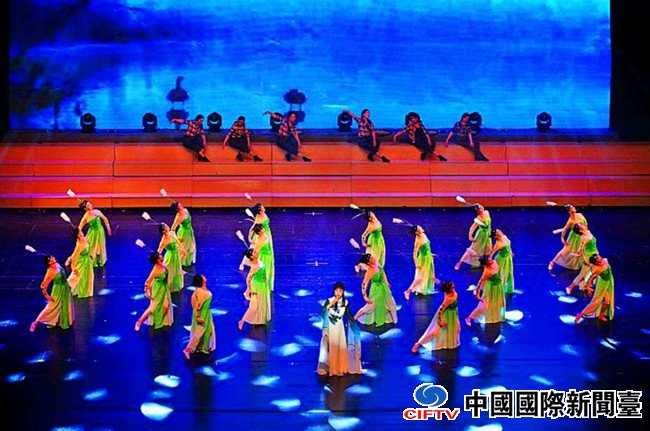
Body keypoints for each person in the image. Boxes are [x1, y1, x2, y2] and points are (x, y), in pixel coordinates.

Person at [317, 282, 363, 376]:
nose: (338, 293)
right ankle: (332, 369)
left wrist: (355, 325)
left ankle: (340, 368)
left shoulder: (345, 302)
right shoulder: (329, 300)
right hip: (330, 327)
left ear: (343, 292)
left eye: (340, 291)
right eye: (336, 290)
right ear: (334, 291)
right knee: (331, 347)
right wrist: (332, 303)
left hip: (339, 328)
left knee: (340, 347)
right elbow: (322, 312)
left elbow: (349, 315)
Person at [411, 281, 460, 352]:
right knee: (435, 332)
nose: (453, 286)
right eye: (452, 286)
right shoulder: (448, 299)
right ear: (449, 289)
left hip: (453, 314)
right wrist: (440, 321)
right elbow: (441, 310)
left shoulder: (452, 291)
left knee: (458, 328)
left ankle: (454, 341)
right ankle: (418, 344)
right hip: (445, 315)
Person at [30, 255, 74, 332]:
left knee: (63, 306)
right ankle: (35, 322)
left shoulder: (57, 264)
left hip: (65, 289)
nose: (54, 258)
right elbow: (43, 286)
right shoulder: (50, 272)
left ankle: (61, 321)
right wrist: (46, 296)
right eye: (52, 258)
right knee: (50, 308)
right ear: (49, 262)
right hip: (57, 291)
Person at [354, 253, 398, 327]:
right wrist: (365, 296)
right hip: (376, 289)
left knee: (390, 304)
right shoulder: (370, 271)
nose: (373, 258)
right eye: (371, 259)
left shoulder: (376, 263)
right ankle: (355, 317)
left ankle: (379, 317)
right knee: (370, 306)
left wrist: (386, 282)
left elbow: (383, 272)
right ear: (368, 263)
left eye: (372, 257)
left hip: (383, 288)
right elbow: (364, 283)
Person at [135, 252, 173, 331]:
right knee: (153, 307)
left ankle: (159, 320)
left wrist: (168, 285)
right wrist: (147, 292)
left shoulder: (162, 265)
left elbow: (165, 277)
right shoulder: (155, 270)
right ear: (158, 260)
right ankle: (139, 321)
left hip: (164, 288)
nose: (162, 256)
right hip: (158, 290)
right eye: (160, 256)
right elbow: (147, 282)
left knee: (166, 306)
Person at [183, 274, 216, 359]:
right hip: (202, 314)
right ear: (201, 281)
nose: (204, 276)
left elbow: (193, 299)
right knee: (199, 332)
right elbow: (197, 305)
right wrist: (198, 316)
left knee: (209, 330)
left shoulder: (199, 290)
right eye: (203, 277)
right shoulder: (202, 292)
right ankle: (187, 350)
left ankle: (202, 346)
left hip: (206, 313)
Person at [465, 256, 505, 325]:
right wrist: (477, 295)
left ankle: (496, 314)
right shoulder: (487, 272)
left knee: (499, 302)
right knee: (485, 305)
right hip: (491, 288)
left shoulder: (493, 262)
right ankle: (469, 318)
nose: (491, 261)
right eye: (488, 261)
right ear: (485, 264)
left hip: (498, 286)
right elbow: (481, 282)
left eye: (490, 259)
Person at [574, 255, 614, 323]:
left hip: (608, 284)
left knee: (607, 301)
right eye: (598, 259)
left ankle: (601, 315)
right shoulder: (597, 269)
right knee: (595, 302)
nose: (600, 259)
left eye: (599, 257)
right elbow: (590, 279)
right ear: (596, 262)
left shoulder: (605, 260)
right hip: (602, 286)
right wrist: (588, 289)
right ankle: (580, 315)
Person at [238, 249, 271, 330]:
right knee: (254, 306)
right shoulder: (255, 267)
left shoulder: (258, 261)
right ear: (252, 256)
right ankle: (242, 321)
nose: (256, 252)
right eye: (254, 252)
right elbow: (248, 278)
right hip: (257, 287)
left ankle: (258, 319)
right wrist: (249, 289)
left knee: (260, 303)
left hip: (262, 285)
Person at [548, 205, 588, 271]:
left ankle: (579, 263)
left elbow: (585, 223)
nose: (573, 208)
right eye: (571, 208)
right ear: (569, 211)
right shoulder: (571, 220)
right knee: (566, 250)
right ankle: (552, 262)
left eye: (573, 207)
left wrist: (585, 232)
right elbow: (565, 229)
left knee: (580, 249)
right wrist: (562, 238)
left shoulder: (580, 215)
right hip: (574, 237)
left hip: (582, 235)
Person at [404, 225, 436, 300]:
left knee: (427, 275)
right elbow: (414, 254)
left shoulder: (423, 235)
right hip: (423, 260)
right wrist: (416, 264)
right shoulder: (418, 241)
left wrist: (430, 254)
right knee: (420, 278)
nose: (421, 228)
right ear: (417, 232)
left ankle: (420, 289)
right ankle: (408, 291)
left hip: (428, 258)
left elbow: (427, 247)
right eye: (419, 228)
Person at [455, 204, 492, 269]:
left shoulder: (487, 212)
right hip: (481, 235)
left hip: (487, 234)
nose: (481, 209)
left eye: (481, 207)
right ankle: (460, 263)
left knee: (488, 249)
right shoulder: (479, 218)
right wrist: (470, 235)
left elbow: (489, 225)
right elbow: (473, 227)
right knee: (473, 248)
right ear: (477, 211)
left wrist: (490, 231)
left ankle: (484, 263)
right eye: (479, 209)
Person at [565, 223, 599, 296]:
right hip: (589, 258)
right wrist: (584, 260)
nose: (583, 225)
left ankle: (585, 286)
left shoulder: (588, 232)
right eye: (581, 226)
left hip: (595, 255)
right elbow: (581, 252)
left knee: (594, 273)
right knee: (582, 274)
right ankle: (570, 287)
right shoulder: (584, 238)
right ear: (580, 230)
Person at [78, 200, 111, 267]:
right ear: (85, 208)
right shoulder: (86, 216)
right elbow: (80, 226)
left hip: (100, 231)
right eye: (88, 205)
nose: (91, 205)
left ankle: (99, 260)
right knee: (91, 246)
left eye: (90, 204)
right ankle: (91, 260)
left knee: (100, 245)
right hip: (92, 233)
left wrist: (108, 228)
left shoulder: (97, 211)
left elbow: (105, 219)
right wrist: (78, 234)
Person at [157, 223, 187, 293]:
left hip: (176, 255)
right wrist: (157, 258)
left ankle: (176, 285)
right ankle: (168, 285)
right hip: (170, 257)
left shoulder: (172, 233)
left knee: (177, 269)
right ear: (163, 231)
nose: (167, 226)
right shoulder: (164, 241)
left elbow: (177, 242)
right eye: (165, 226)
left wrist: (182, 250)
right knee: (170, 271)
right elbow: (159, 251)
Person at [66, 228, 95, 298]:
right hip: (81, 262)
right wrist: (73, 268)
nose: (82, 232)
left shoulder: (84, 239)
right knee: (76, 277)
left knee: (89, 276)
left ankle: (86, 292)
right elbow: (74, 258)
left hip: (87, 261)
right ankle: (64, 290)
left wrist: (90, 255)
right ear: (78, 235)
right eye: (80, 232)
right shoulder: (80, 246)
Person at [170, 201, 196, 269]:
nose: (181, 205)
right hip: (183, 234)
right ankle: (180, 263)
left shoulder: (185, 210)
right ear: (177, 209)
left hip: (189, 231)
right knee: (183, 248)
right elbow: (173, 228)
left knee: (190, 247)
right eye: (179, 206)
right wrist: (176, 238)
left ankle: (187, 262)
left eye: (180, 204)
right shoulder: (179, 217)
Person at [251, 223, 275, 292]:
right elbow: (255, 251)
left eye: (262, 228)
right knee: (264, 273)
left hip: (269, 257)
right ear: (259, 232)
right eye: (261, 229)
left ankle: (269, 287)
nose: (263, 229)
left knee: (269, 272)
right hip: (264, 258)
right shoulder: (259, 240)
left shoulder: (265, 235)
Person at [490, 229, 514, 294]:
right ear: (496, 236)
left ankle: (509, 289)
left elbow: (509, 244)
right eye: (497, 232)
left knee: (509, 273)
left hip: (508, 258)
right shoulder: (498, 243)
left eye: (498, 231)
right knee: (501, 274)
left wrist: (510, 251)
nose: (499, 231)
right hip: (501, 260)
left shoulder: (504, 236)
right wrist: (490, 262)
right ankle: (500, 289)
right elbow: (492, 253)